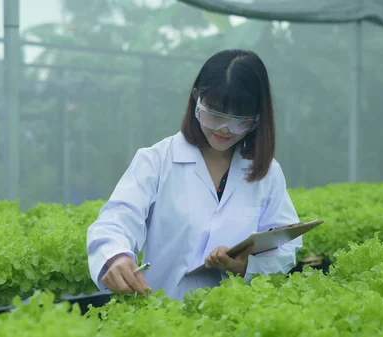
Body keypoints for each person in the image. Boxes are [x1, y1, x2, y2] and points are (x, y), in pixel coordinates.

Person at [86, 49, 302, 301]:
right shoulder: (156, 160)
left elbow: (286, 246)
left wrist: (244, 266)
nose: (224, 128)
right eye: (215, 114)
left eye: (238, 120)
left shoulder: (267, 172)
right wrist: (116, 256)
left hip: (236, 319)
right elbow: (116, 220)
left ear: (257, 119)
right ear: (196, 99)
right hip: (164, 317)